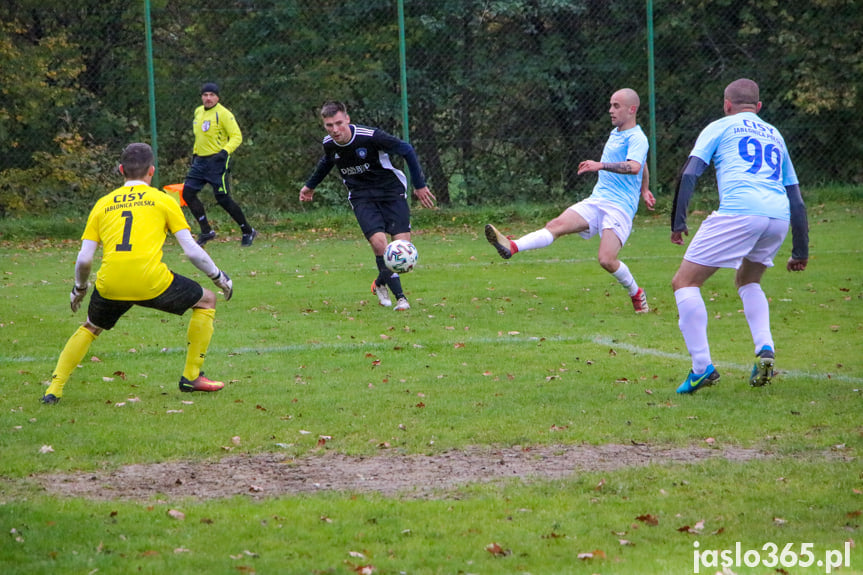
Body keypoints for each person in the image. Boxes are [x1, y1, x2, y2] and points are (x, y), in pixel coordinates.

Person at [41, 143, 235, 404]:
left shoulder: (103, 204)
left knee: (91, 327)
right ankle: (191, 377)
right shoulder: (163, 200)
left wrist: (79, 288)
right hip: (151, 282)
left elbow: (85, 258)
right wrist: (219, 277)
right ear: (151, 171)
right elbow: (192, 251)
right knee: (207, 299)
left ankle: (54, 389)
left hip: (111, 283)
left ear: (121, 170)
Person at [670, 78, 809, 394]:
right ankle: (765, 348)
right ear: (758, 107)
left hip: (741, 211)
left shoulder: (720, 126)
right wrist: (800, 250)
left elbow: (690, 173)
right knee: (748, 280)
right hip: (778, 216)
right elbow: (796, 198)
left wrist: (678, 222)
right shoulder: (774, 134)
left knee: (684, 282)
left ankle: (701, 368)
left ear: (726, 104)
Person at [485, 88, 656, 313]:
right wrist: (645, 189)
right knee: (555, 226)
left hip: (620, 208)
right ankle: (513, 247)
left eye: (616, 106)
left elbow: (634, 166)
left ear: (631, 110)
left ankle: (636, 293)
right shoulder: (617, 133)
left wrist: (600, 165)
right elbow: (642, 164)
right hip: (598, 200)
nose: (610, 110)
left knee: (606, 259)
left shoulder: (637, 137)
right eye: (610, 105)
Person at [299, 100, 436, 311]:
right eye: (329, 125)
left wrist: (419, 185)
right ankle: (401, 298)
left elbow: (407, 150)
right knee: (381, 245)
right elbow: (327, 161)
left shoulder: (370, 136)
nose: (335, 130)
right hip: (361, 197)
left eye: (338, 123)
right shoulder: (329, 143)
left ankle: (380, 282)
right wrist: (310, 186)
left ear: (347, 119)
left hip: (391, 191)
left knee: (403, 250)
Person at [182, 82, 257, 247]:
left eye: (211, 95)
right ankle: (206, 231)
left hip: (217, 161)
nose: (208, 98)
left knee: (222, 198)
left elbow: (236, 136)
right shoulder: (198, 111)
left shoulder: (224, 114)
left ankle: (247, 230)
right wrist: (195, 153)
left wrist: (224, 152)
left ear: (217, 97)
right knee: (187, 193)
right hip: (200, 161)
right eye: (205, 95)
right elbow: (199, 136)